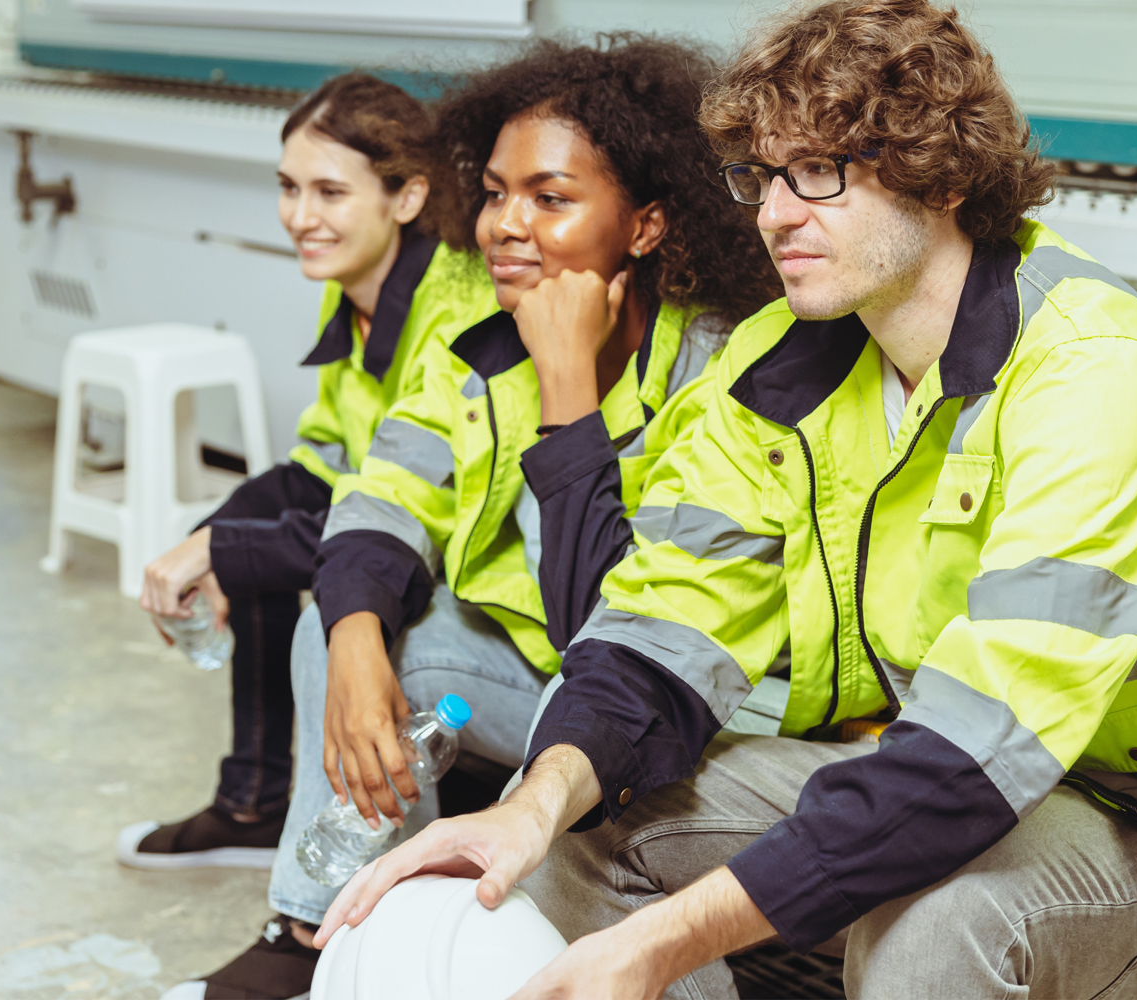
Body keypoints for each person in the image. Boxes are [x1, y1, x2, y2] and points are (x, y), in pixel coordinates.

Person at [318, 3, 1137, 998]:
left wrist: (664, 940)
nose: (773, 214)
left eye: (817, 172)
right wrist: (534, 804)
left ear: (944, 177)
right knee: (574, 822)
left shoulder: (1093, 371)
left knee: (936, 921)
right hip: (929, 761)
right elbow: (661, 622)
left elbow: (977, 753)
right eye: (762, 176)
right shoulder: (781, 360)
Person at [168, 35, 777, 999]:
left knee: (560, 717)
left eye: (550, 198)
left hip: (675, 708)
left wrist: (569, 390)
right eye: (495, 194)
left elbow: (613, 632)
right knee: (339, 625)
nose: (504, 225)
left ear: (647, 225)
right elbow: (381, 492)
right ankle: (327, 933)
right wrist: (354, 642)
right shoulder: (484, 349)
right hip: (541, 670)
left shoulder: (719, 367)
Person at [116, 73, 496, 873]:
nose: (299, 217)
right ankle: (251, 805)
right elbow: (324, 461)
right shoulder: (356, 284)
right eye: (288, 188)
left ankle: (325, 869)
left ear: (407, 196)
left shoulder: (461, 306)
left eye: (329, 192)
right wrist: (210, 535)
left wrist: (223, 547)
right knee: (241, 529)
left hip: (448, 548)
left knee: (257, 555)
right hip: (381, 512)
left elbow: (421, 505)